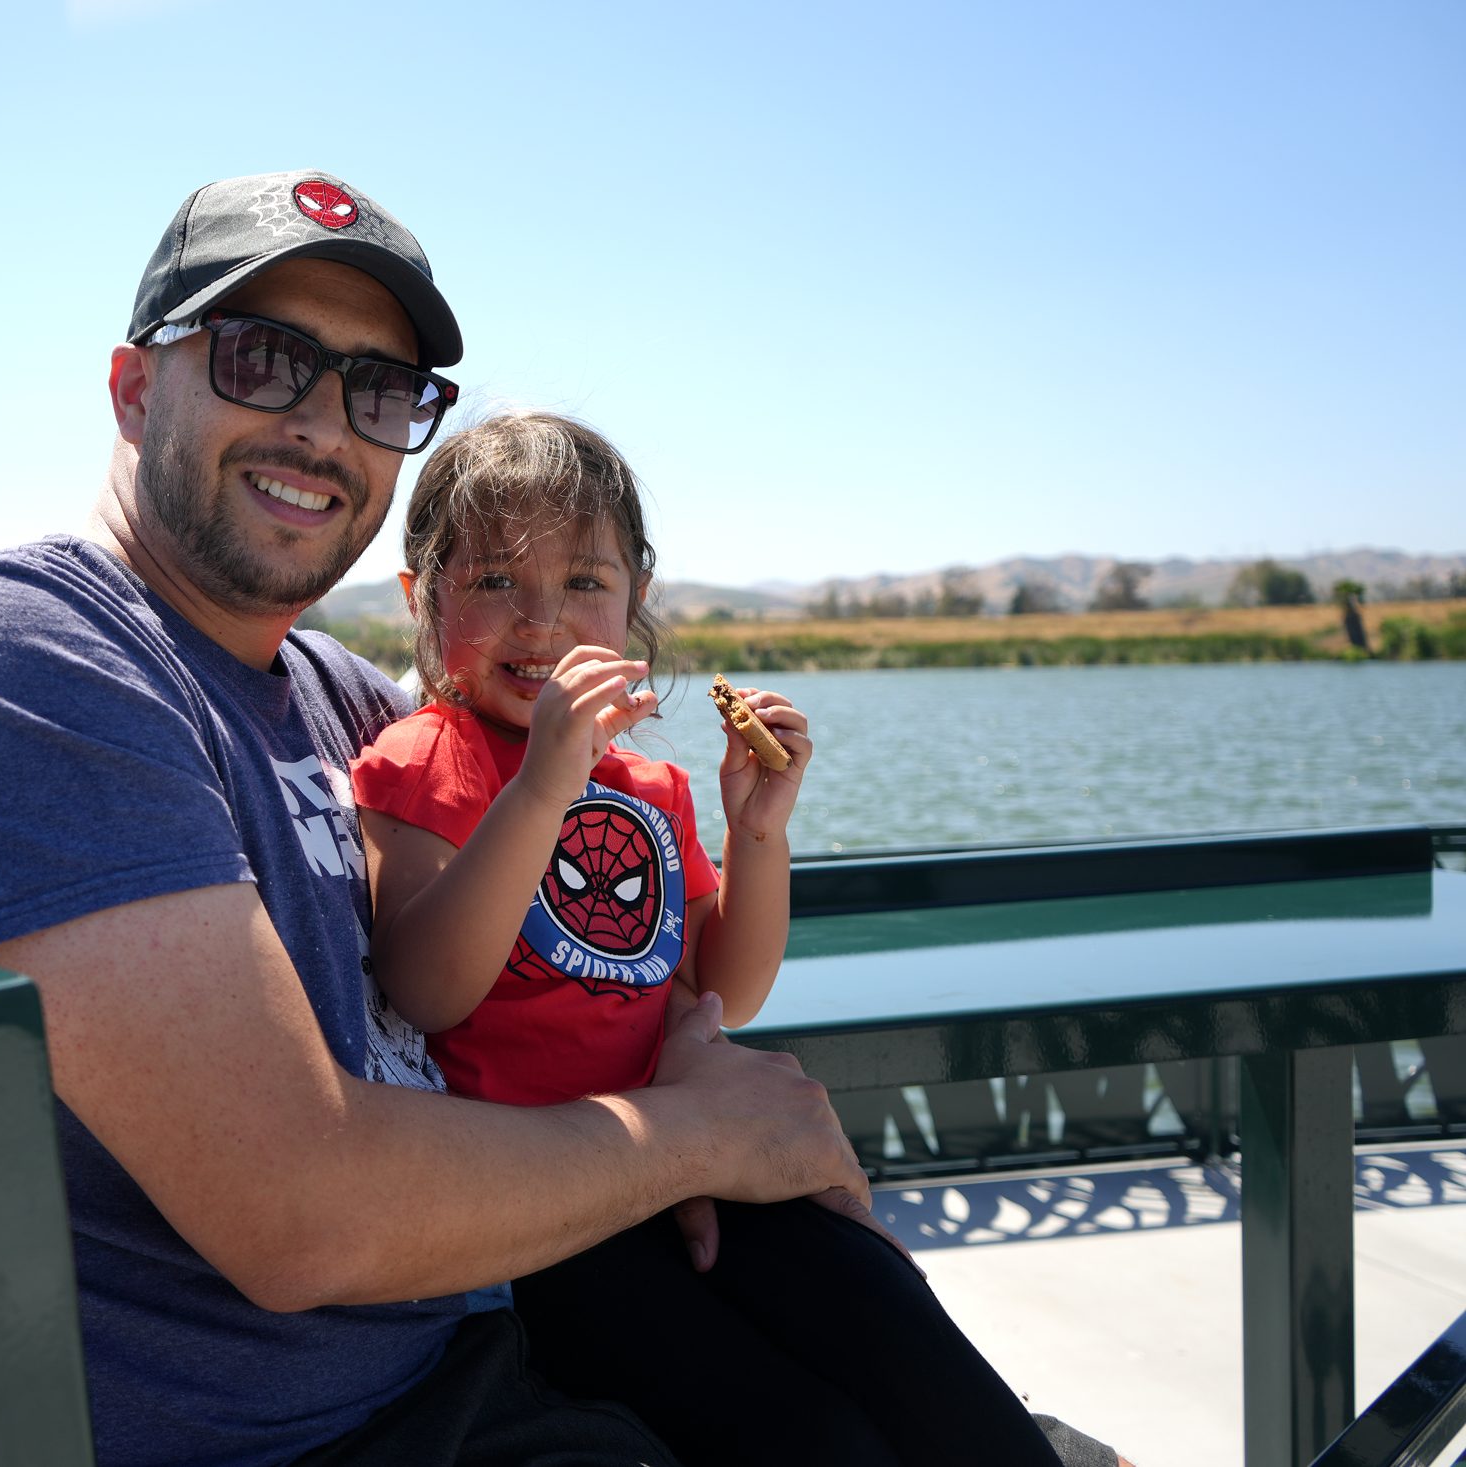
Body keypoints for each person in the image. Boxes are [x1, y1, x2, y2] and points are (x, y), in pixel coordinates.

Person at [0, 169, 1114, 1466]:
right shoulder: (16, 658)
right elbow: (300, 1211)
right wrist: (699, 1136)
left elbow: (617, 941)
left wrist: (699, 1072)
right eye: (262, 357)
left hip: (477, 1352)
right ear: (138, 389)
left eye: (378, 389)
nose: (324, 422)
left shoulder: (328, 695)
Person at [351, 411, 1124, 1466]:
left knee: (904, 1339)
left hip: (705, 1166)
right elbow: (427, 985)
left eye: (584, 583)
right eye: (492, 581)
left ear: (633, 604)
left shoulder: (652, 788)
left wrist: (758, 831)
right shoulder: (421, 760)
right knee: (812, 1440)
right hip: (545, 1223)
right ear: (418, 596)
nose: (540, 620)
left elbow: (730, 987)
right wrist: (541, 788)